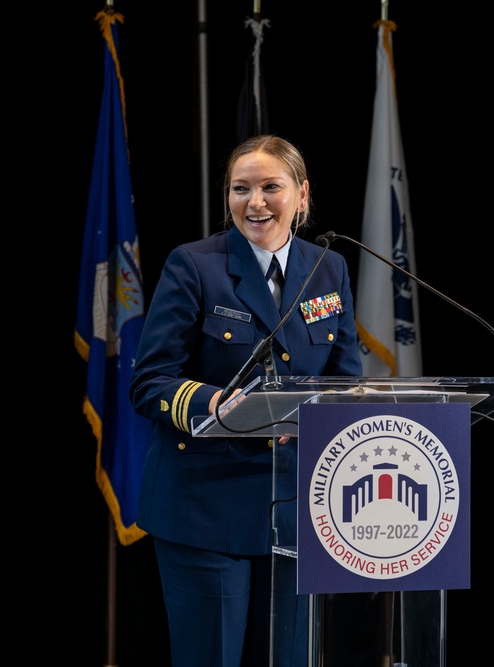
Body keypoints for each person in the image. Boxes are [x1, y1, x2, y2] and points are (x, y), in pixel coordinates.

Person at [130, 134, 362, 667]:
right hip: (207, 508)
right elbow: (150, 381)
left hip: (301, 511)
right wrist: (214, 403)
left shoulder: (329, 268)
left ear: (302, 195)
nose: (254, 202)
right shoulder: (194, 266)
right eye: (240, 189)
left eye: (269, 187)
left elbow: (345, 384)